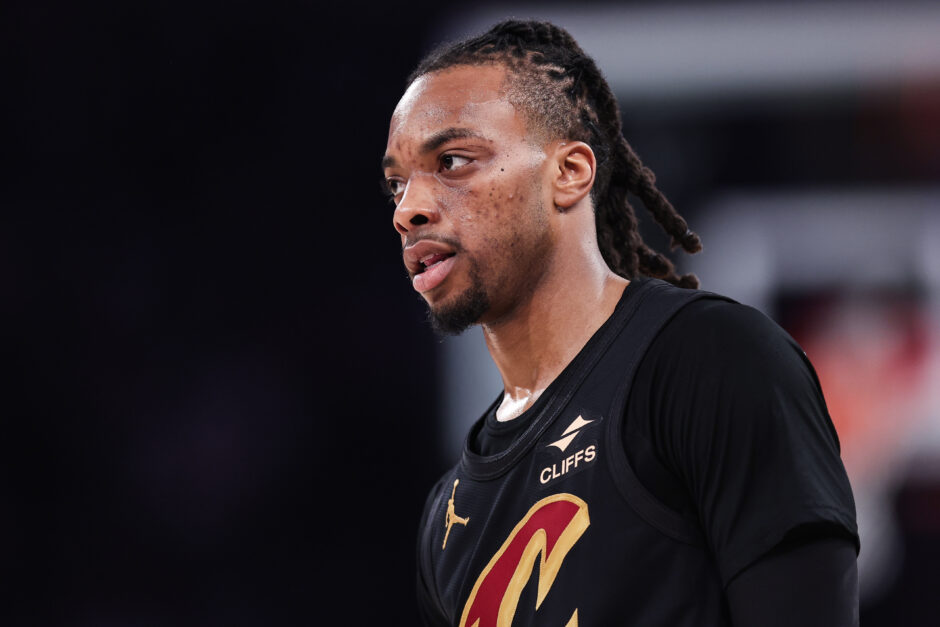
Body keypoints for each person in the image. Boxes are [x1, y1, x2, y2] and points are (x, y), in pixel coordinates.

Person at [382, 19, 860, 626]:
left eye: (452, 161)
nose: (409, 210)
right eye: (397, 183)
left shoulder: (711, 362)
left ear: (570, 173)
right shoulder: (445, 518)